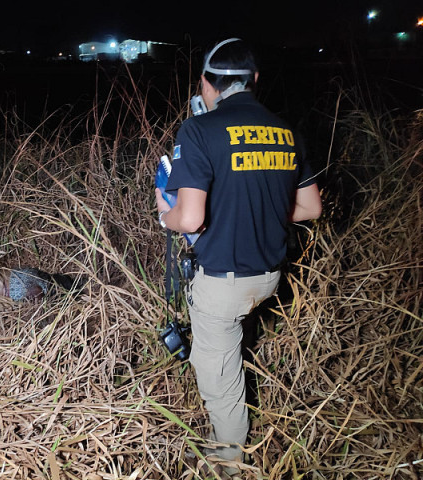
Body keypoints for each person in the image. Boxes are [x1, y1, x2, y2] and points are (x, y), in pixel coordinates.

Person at [155, 38, 322, 469]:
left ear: (207, 85)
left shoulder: (199, 131)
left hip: (223, 284)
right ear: (254, 81)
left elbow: (190, 220)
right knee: (231, 343)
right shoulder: (286, 130)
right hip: (269, 277)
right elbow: (310, 208)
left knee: (220, 381)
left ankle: (227, 463)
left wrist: (164, 214)